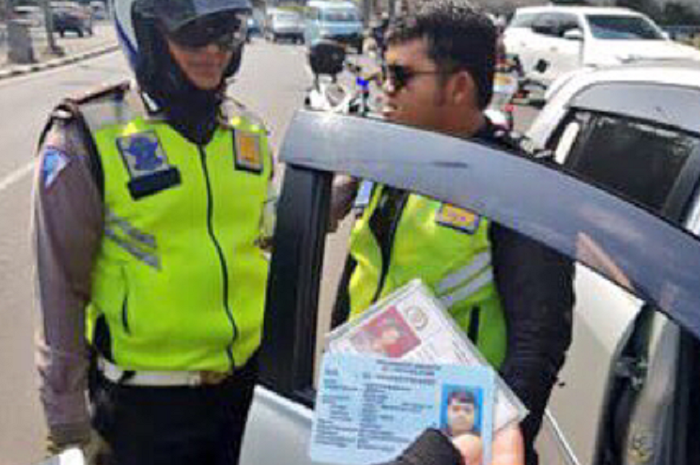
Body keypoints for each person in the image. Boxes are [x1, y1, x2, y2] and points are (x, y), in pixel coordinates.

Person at [331, 1, 574, 463]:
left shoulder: (519, 188)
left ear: (459, 86)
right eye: (384, 74)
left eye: (401, 77)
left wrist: (483, 444)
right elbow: (353, 294)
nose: (385, 90)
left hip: (454, 445)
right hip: (366, 426)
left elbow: (536, 348)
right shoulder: (388, 163)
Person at [32, 0, 274, 463]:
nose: (212, 50)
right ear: (143, 33)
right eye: (191, 33)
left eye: (225, 31)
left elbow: (271, 233)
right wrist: (66, 427)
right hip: (145, 412)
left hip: (246, 397)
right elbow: (59, 287)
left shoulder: (248, 132)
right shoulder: (88, 136)